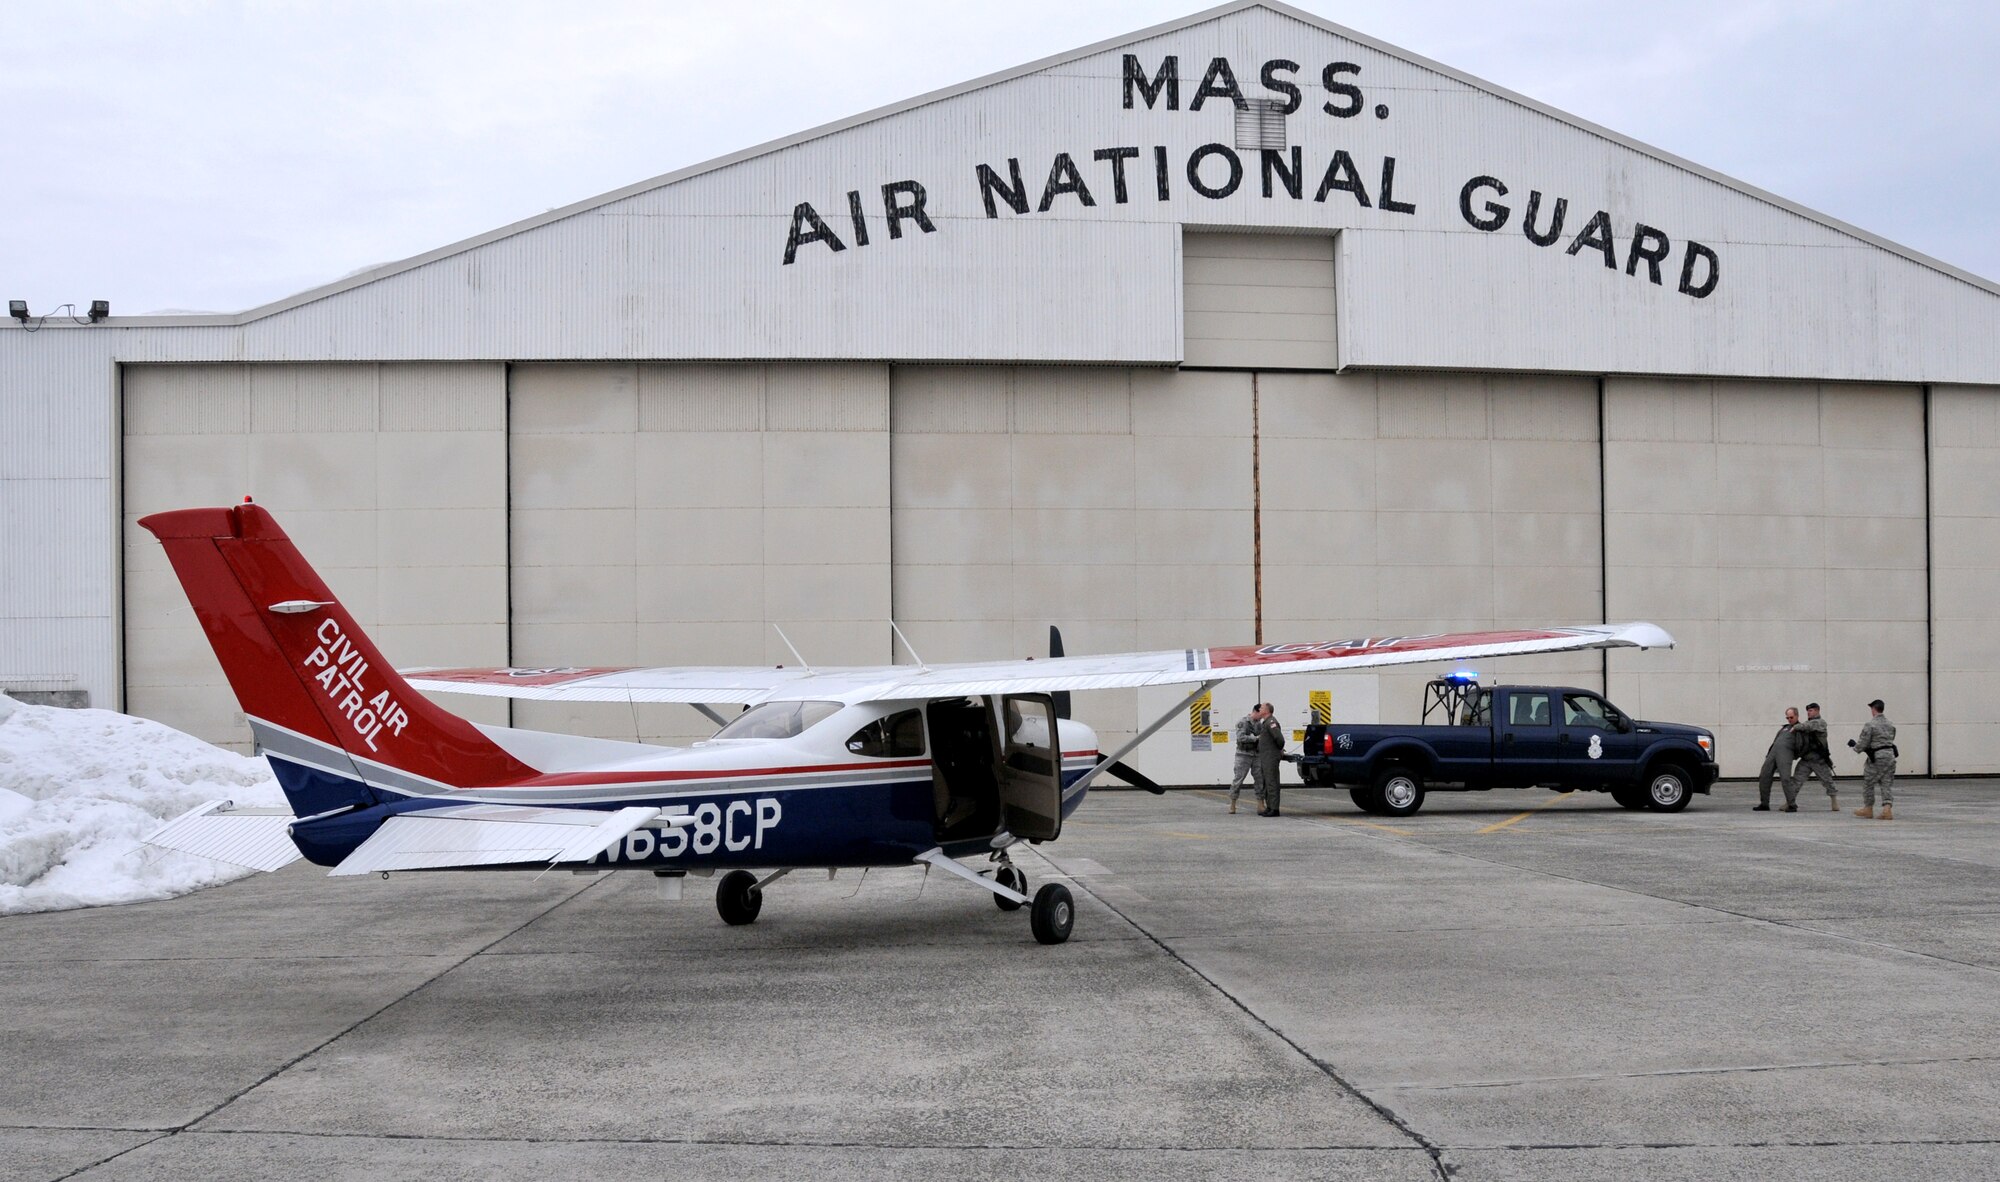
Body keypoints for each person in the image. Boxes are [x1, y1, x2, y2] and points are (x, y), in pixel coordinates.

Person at [1849, 699, 1898, 820]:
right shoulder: (1890, 724)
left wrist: (1855, 747)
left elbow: (1863, 743)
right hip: (1890, 756)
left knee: (1868, 782)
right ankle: (1887, 809)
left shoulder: (1870, 724)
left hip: (1877, 757)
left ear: (1873, 709)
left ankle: (1868, 808)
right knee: (1886, 783)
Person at [1793, 702, 1838, 810]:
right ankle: (1790, 801)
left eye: (1811, 710)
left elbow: (1806, 726)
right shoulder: (1806, 724)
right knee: (1796, 781)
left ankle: (1834, 801)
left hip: (1818, 759)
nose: (1809, 712)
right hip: (1807, 759)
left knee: (1827, 781)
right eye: (1808, 711)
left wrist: (1795, 726)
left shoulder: (1820, 723)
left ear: (1817, 711)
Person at [1756, 707, 1802, 811]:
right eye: (1787, 717)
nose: (1789, 719)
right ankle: (1764, 803)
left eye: (1791, 717)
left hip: (1786, 754)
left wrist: (1794, 755)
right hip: (1773, 753)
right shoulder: (1784, 728)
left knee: (1785, 778)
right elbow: (1775, 741)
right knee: (1764, 775)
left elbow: (1801, 745)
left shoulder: (1800, 728)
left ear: (1797, 716)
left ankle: (1792, 804)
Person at [1227, 705, 1264, 814]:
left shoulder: (1259, 724)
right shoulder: (1243, 722)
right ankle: (1233, 803)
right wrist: (1255, 738)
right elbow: (1241, 737)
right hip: (1243, 754)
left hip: (1256, 754)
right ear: (1255, 711)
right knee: (1238, 779)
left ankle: (1260, 804)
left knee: (1260, 780)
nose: (1261, 718)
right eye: (1260, 715)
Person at [1254, 702, 1287, 816]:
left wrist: (1277, 750)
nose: (1260, 709)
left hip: (1270, 757)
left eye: (1262, 707)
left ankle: (1274, 809)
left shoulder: (1272, 722)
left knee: (1272, 782)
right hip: (1265, 756)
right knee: (1267, 782)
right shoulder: (1266, 722)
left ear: (1267, 710)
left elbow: (1280, 739)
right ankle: (1270, 806)